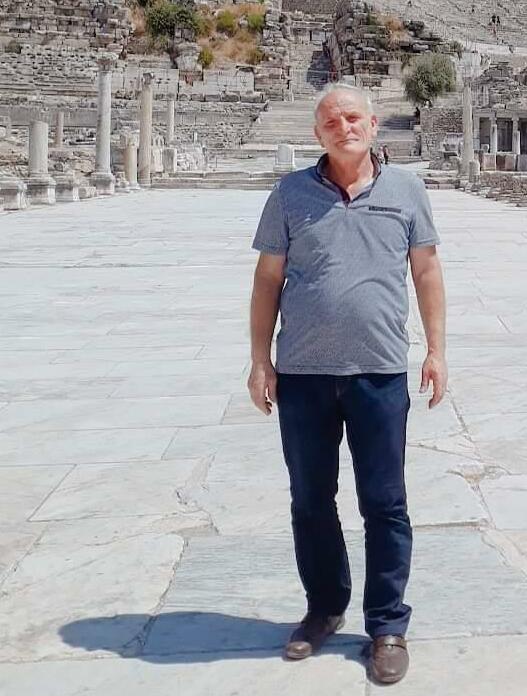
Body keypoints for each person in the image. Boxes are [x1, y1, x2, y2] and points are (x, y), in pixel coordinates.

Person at [248, 83, 447, 684]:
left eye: (353, 117)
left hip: (379, 372)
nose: (344, 128)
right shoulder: (289, 194)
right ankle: (324, 608)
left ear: (373, 124)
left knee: (385, 502)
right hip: (304, 374)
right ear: (318, 133)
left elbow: (426, 270)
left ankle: (387, 625)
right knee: (311, 500)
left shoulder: (407, 191)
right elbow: (268, 279)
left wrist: (437, 350)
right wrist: (260, 360)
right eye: (331, 121)